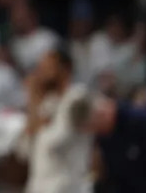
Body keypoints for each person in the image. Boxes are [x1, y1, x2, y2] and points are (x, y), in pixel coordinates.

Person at [23, 46, 92, 193]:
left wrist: (40, 126)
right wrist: (33, 104)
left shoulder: (78, 98)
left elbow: (56, 142)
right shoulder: (47, 104)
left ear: (65, 68)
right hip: (39, 186)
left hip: (69, 186)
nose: (40, 72)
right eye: (40, 67)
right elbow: (25, 150)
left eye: (47, 66)